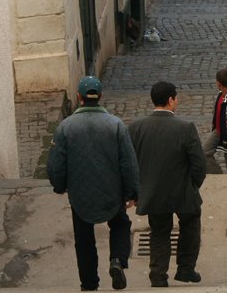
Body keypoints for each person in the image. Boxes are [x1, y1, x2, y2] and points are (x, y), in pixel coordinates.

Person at [47, 77, 140, 291]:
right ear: (101, 97)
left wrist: (60, 186)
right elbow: (128, 163)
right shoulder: (116, 125)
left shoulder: (65, 127)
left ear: (79, 97)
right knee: (120, 224)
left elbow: (56, 166)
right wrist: (132, 192)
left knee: (84, 239)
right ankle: (117, 260)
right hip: (111, 191)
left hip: (80, 194)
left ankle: (89, 284)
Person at [128, 81, 207, 288]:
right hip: (182, 191)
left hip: (153, 192)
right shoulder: (185, 128)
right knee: (190, 223)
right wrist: (193, 185)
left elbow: (130, 162)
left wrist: (137, 190)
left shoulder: (136, 128)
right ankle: (186, 268)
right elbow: (199, 164)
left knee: (159, 231)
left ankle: (158, 274)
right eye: (176, 98)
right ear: (171, 100)